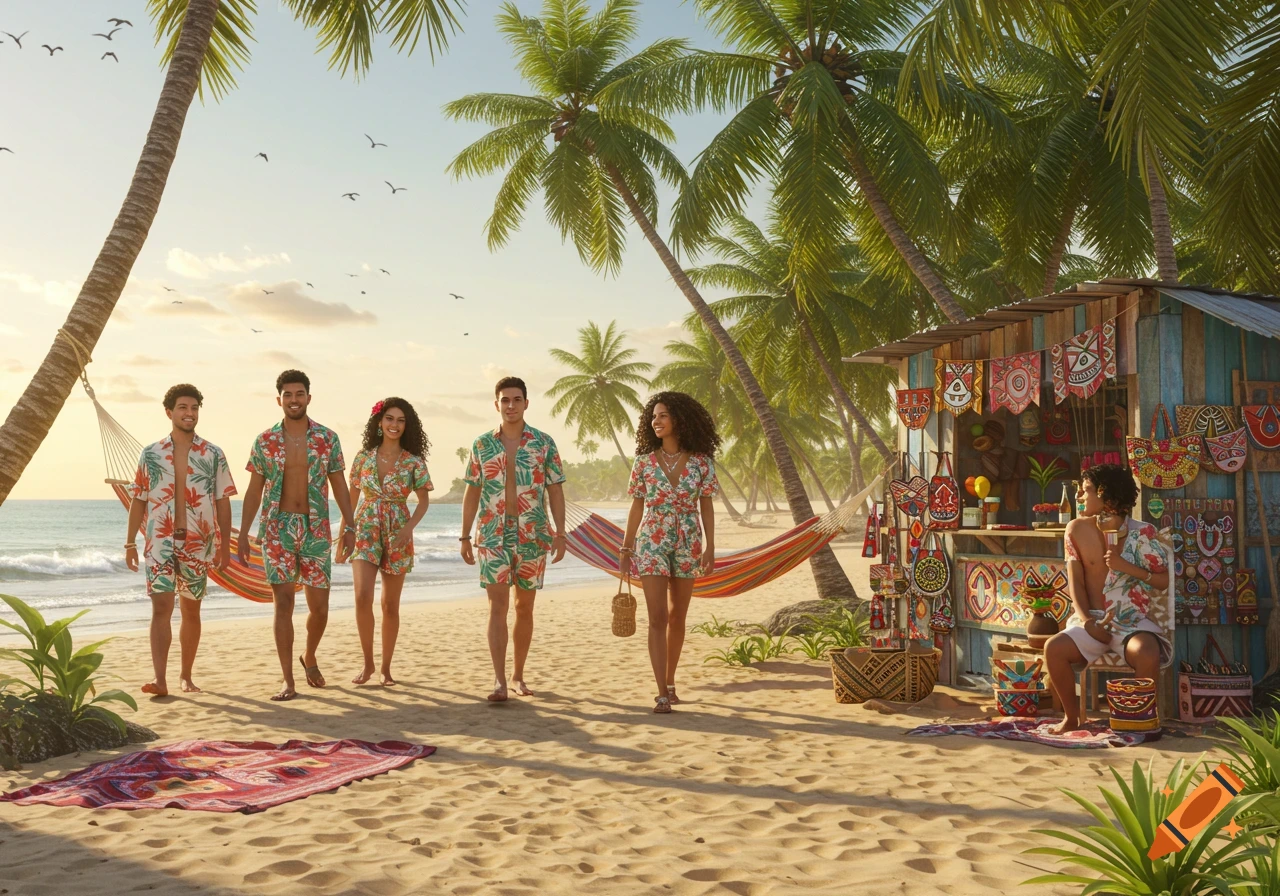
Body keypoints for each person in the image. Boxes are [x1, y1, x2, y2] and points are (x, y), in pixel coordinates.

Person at [237, 369, 356, 701]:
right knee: (283, 605)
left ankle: (310, 656)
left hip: (316, 528)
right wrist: (244, 533)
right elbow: (253, 491)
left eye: (299, 394)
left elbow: (339, 485)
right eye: (287, 395)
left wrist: (350, 525)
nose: (293, 400)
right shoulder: (265, 441)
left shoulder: (327, 439)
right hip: (277, 529)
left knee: (320, 608)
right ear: (279, 400)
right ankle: (288, 679)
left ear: (308, 397)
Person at [460, 376, 567, 702]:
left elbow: (556, 489)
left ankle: (518, 675)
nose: (510, 405)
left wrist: (560, 533)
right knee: (498, 607)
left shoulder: (544, 443)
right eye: (504, 400)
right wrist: (465, 535)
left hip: (533, 533)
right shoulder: (482, 444)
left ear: (525, 403)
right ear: (497, 404)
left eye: (516, 399)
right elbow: (472, 491)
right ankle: (499, 681)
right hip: (492, 535)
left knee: (525, 608)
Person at [125, 384, 236, 697]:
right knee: (161, 608)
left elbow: (224, 501)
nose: (190, 413)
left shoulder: (213, 454)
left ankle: (186, 676)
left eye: (194, 408)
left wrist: (225, 545)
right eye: (184, 408)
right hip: (159, 541)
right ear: (169, 412)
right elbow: (139, 499)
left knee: (191, 611)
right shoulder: (151, 453)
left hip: (198, 542)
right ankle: (160, 679)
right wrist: (130, 542)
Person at [1044, 464, 1171, 733]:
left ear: (1108, 498)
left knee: (1147, 651)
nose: (1078, 496)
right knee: (1053, 648)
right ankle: (1071, 718)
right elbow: (1075, 583)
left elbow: (1162, 581)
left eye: (1085, 490)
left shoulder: (1143, 532)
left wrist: (1127, 567)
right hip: (1092, 621)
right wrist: (1088, 621)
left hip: (1132, 621)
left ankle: (1140, 720)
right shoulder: (1075, 530)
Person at [620, 391, 719, 714]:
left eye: (663, 415)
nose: (656, 422)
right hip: (652, 540)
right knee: (657, 617)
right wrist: (627, 544)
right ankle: (661, 692)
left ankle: (671, 680)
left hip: (688, 539)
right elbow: (637, 505)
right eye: (653, 417)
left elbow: (706, 505)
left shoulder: (702, 462)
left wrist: (710, 546)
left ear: (679, 419)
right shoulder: (644, 463)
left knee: (678, 616)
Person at [347, 397, 433, 686]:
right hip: (366, 527)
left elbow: (423, 501)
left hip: (398, 530)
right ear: (379, 422)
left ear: (406, 426)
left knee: (390, 605)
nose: (394, 425)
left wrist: (408, 529)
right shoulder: (363, 457)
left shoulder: (413, 462)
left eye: (400, 420)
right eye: (389, 419)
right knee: (362, 598)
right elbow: (352, 494)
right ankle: (367, 663)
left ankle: (385, 668)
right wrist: (347, 529)